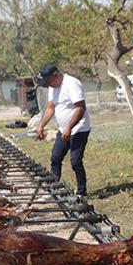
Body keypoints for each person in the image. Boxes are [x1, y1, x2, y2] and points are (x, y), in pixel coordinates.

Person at [35, 64, 91, 197]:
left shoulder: (72, 84)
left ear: (56, 75)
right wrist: (41, 125)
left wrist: (69, 127)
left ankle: (82, 192)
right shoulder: (52, 87)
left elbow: (80, 108)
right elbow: (50, 107)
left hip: (79, 128)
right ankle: (55, 187)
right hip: (63, 129)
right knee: (55, 157)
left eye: (48, 82)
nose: (48, 85)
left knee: (75, 161)